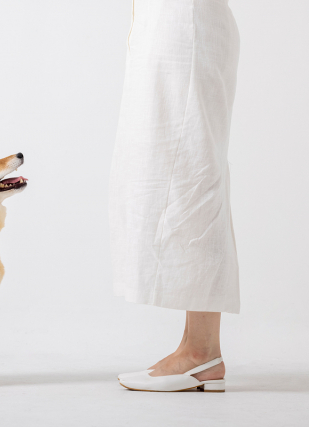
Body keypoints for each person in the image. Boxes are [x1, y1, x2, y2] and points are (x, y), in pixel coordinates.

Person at [109, 0, 240, 392]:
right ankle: (196, 346)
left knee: (192, 183)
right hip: (171, 26)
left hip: (184, 28)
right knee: (182, 178)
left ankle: (201, 353)